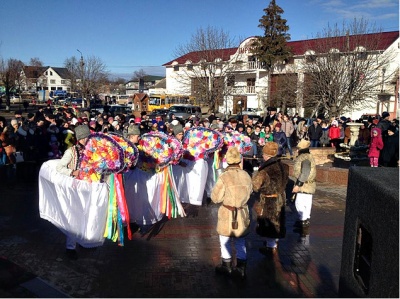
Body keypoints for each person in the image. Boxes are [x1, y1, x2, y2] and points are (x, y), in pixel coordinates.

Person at [211, 146, 253, 279]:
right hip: (242, 212)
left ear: (227, 160)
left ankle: (226, 265)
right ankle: (241, 269)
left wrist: (227, 198)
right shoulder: (246, 175)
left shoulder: (224, 176)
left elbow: (215, 197)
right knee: (241, 241)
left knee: (224, 239)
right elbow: (250, 192)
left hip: (227, 212)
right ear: (239, 160)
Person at [55, 124, 91, 260]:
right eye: (85, 137)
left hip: (87, 187)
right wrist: (72, 172)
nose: (88, 140)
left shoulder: (93, 151)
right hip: (74, 187)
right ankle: (70, 247)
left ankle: (82, 240)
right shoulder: (71, 151)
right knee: (74, 217)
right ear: (80, 138)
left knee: (85, 215)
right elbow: (59, 167)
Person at [252, 142, 289, 255]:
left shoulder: (265, 169)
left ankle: (270, 247)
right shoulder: (284, 166)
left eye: (263, 153)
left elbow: (255, 185)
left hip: (269, 199)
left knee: (270, 223)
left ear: (266, 155)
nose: (262, 156)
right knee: (278, 220)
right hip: (280, 196)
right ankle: (274, 243)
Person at [292, 139, 316, 233]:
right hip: (308, 184)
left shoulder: (305, 158)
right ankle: (304, 221)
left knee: (300, 204)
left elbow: (305, 172)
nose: (296, 150)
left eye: (298, 148)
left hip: (305, 185)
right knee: (306, 204)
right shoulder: (307, 156)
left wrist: (298, 185)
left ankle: (303, 221)